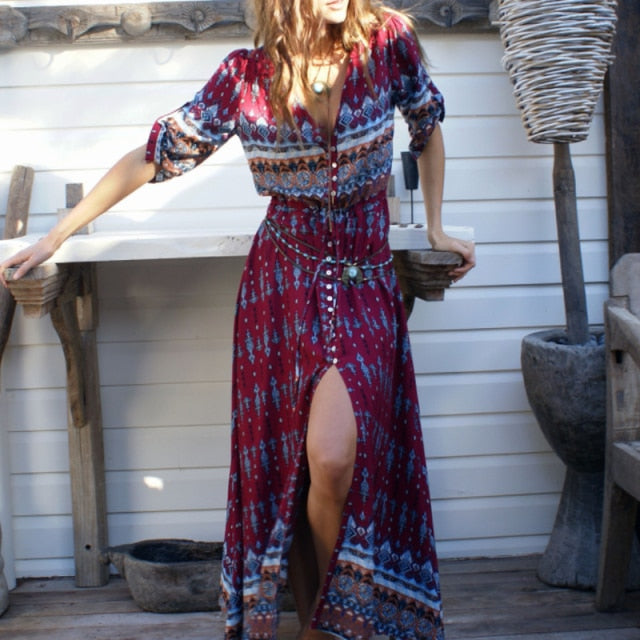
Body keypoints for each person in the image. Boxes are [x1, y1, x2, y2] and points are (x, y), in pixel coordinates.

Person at [1, 0, 475, 637]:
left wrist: (436, 226)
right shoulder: (246, 77)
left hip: (363, 283)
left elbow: (427, 125)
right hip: (280, 291)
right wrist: (55, 237)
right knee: (290, 467)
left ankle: (328, 625)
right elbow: (152, 156)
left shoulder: (388, 44)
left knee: (334, 457)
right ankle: (318, 622)